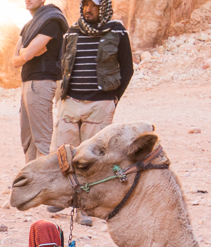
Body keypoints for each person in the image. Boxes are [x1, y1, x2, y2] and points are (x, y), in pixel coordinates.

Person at [54, 1, 132, 148]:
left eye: (94, 6)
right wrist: (61, 97)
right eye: (85, 5)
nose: (88, 9)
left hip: (100, 105)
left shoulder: (117, 32)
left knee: (92, 158)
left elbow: (127, 68)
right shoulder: (72, 32)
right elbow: (61, 64)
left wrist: (113, 99)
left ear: (103, 8)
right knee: (63, 156)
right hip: (70, 104)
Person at [13, 0, 68, 162]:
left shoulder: (51, 21)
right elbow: (14, 61)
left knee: (43, 141)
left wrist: (25, 53)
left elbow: (26, 56)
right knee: (28, 139)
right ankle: (31, 181)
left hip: (42, 82)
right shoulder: (30, 26)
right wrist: (26, 52)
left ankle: (45, 183)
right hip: (28, 83)